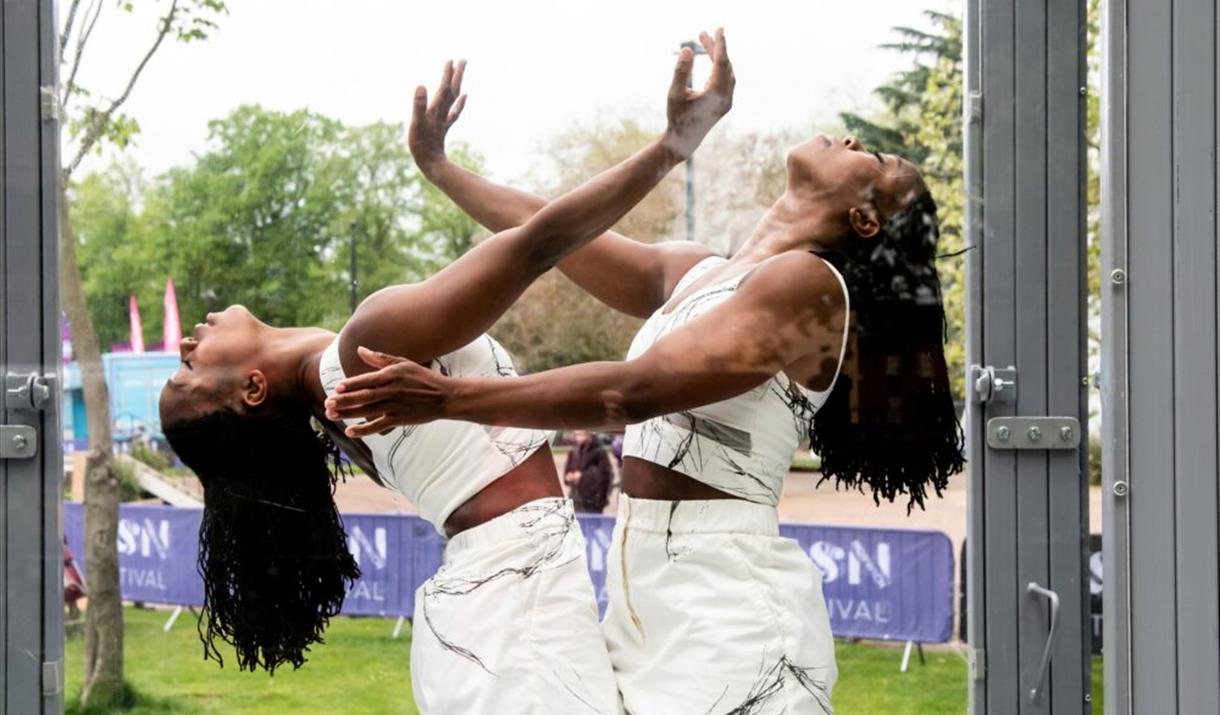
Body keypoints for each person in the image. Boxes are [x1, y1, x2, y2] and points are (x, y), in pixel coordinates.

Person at [325, 53, 963, 714]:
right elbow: (545, 233)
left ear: (865, 221)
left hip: (728, 604)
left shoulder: (808, 286)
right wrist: (440, 167)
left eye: (880, 161)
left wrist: (449, 399)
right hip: (651, 596)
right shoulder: (700, 272)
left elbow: (631, 393)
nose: (858, 141)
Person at [159, 35, 732, 715]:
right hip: (512, 616)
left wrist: (441, 169)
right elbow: (540, 243)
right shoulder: (366, 345)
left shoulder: (338, 410)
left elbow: (537, 240)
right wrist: (673, 143)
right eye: (189, 364)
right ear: (252, 389)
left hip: (496, 608)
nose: (190, 337)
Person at [562, 430, 612, 513]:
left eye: (581, 434)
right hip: (576, 498)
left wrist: (582, 476)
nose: (579, 437)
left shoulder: (599, 452)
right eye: (577, 434)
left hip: (593, 500)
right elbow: (567, 474)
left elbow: (605, 475)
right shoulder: (573, 452)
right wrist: (569, 476)